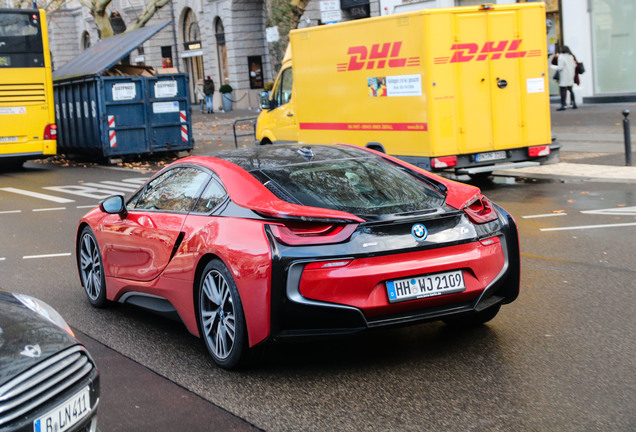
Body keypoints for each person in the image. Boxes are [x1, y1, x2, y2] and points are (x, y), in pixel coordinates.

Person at [554, 46, 577, 111]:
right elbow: (574, 65)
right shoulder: (571, 56)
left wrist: (552, 66)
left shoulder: (561, 57)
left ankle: (563, 104)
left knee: (563, 90)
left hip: (564, 75)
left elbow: (560, 67)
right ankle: (573, 103)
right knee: (570, 89)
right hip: (570, 75)